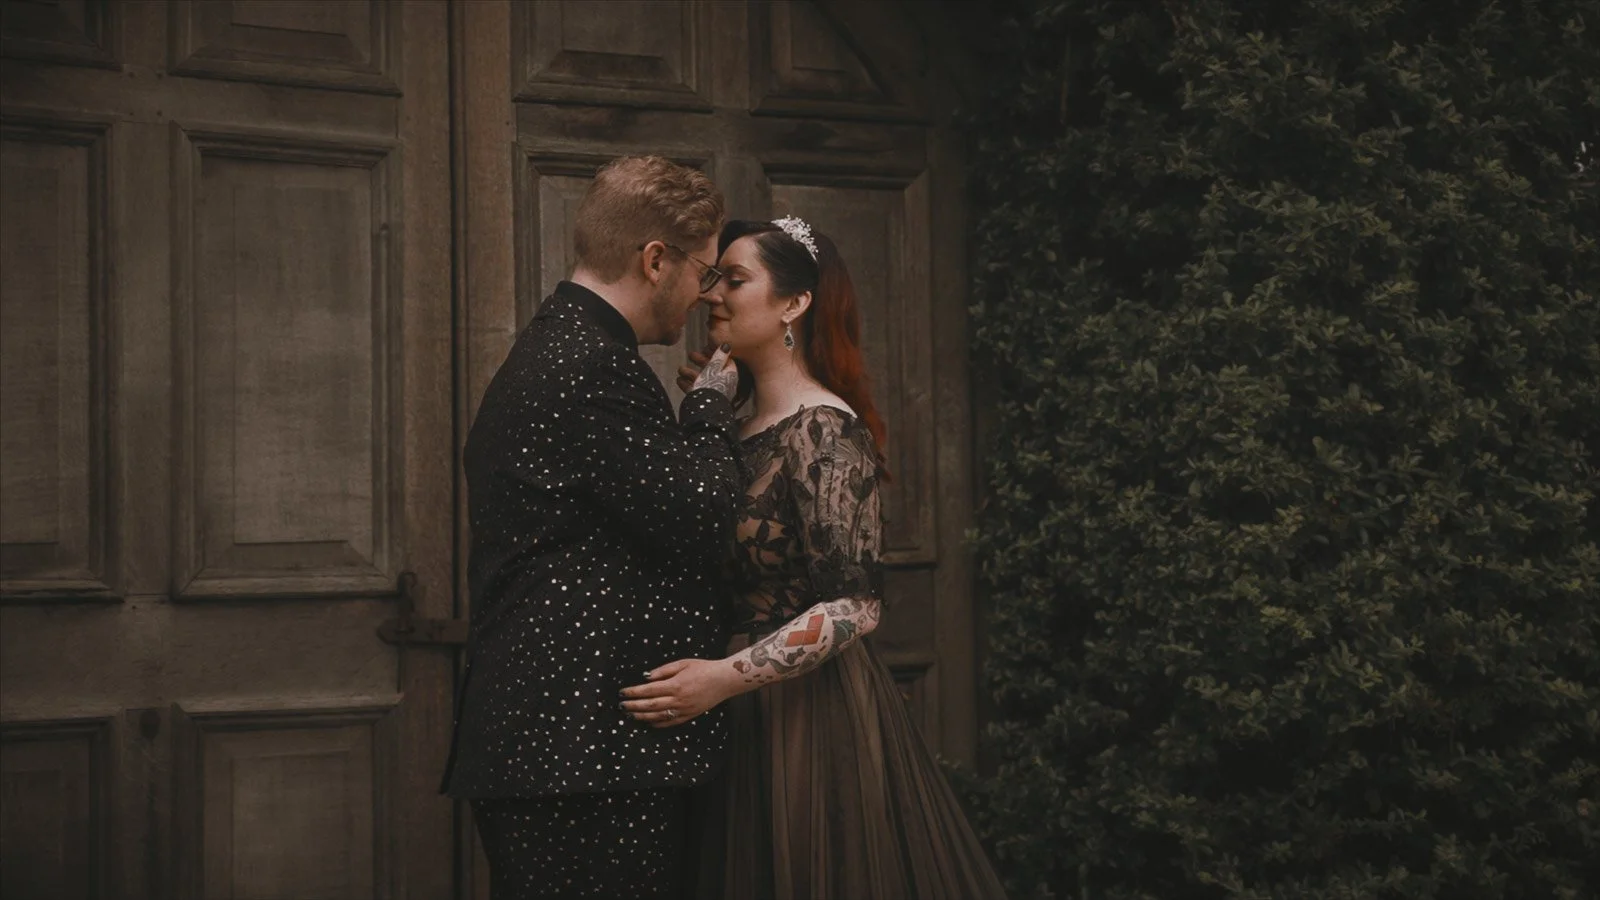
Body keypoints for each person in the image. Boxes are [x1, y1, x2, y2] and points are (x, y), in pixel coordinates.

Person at [620, 216, 1009, 899]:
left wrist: (721, 679)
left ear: (795, 304)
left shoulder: (824, 429)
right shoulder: (734, 426)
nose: (714, 295)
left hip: (808, 715)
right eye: (714, 278)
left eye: (736, 281)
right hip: (730, 713)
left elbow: (856, 608)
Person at [440, 156, 745, 899]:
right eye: (705, 273)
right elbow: (705, 510)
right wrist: (710, 401)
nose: (707, 298)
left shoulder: (556, 347)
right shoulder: (591, 365)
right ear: (654, 261)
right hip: (581, 759)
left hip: (562, 755)